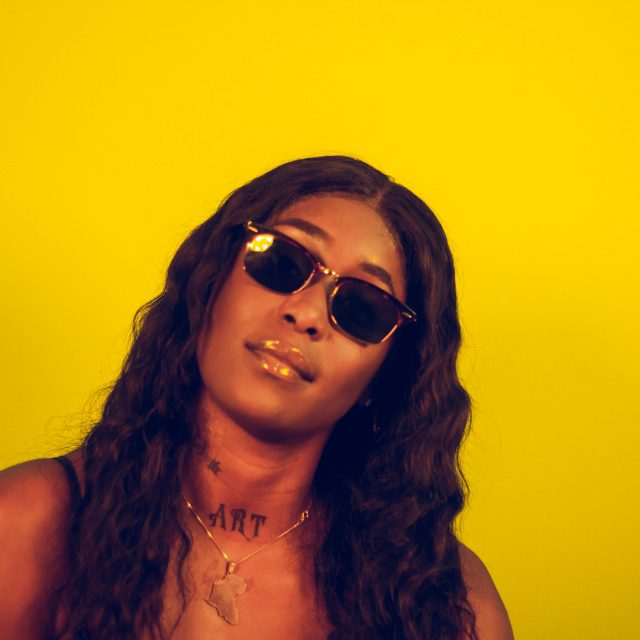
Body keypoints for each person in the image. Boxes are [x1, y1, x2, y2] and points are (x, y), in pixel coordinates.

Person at [0, 156, 513, 639]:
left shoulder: (445, 601)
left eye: (361, 307)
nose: (306, 314)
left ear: (385, 377)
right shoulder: (28, 524)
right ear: (209, 283)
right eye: (282, 262)